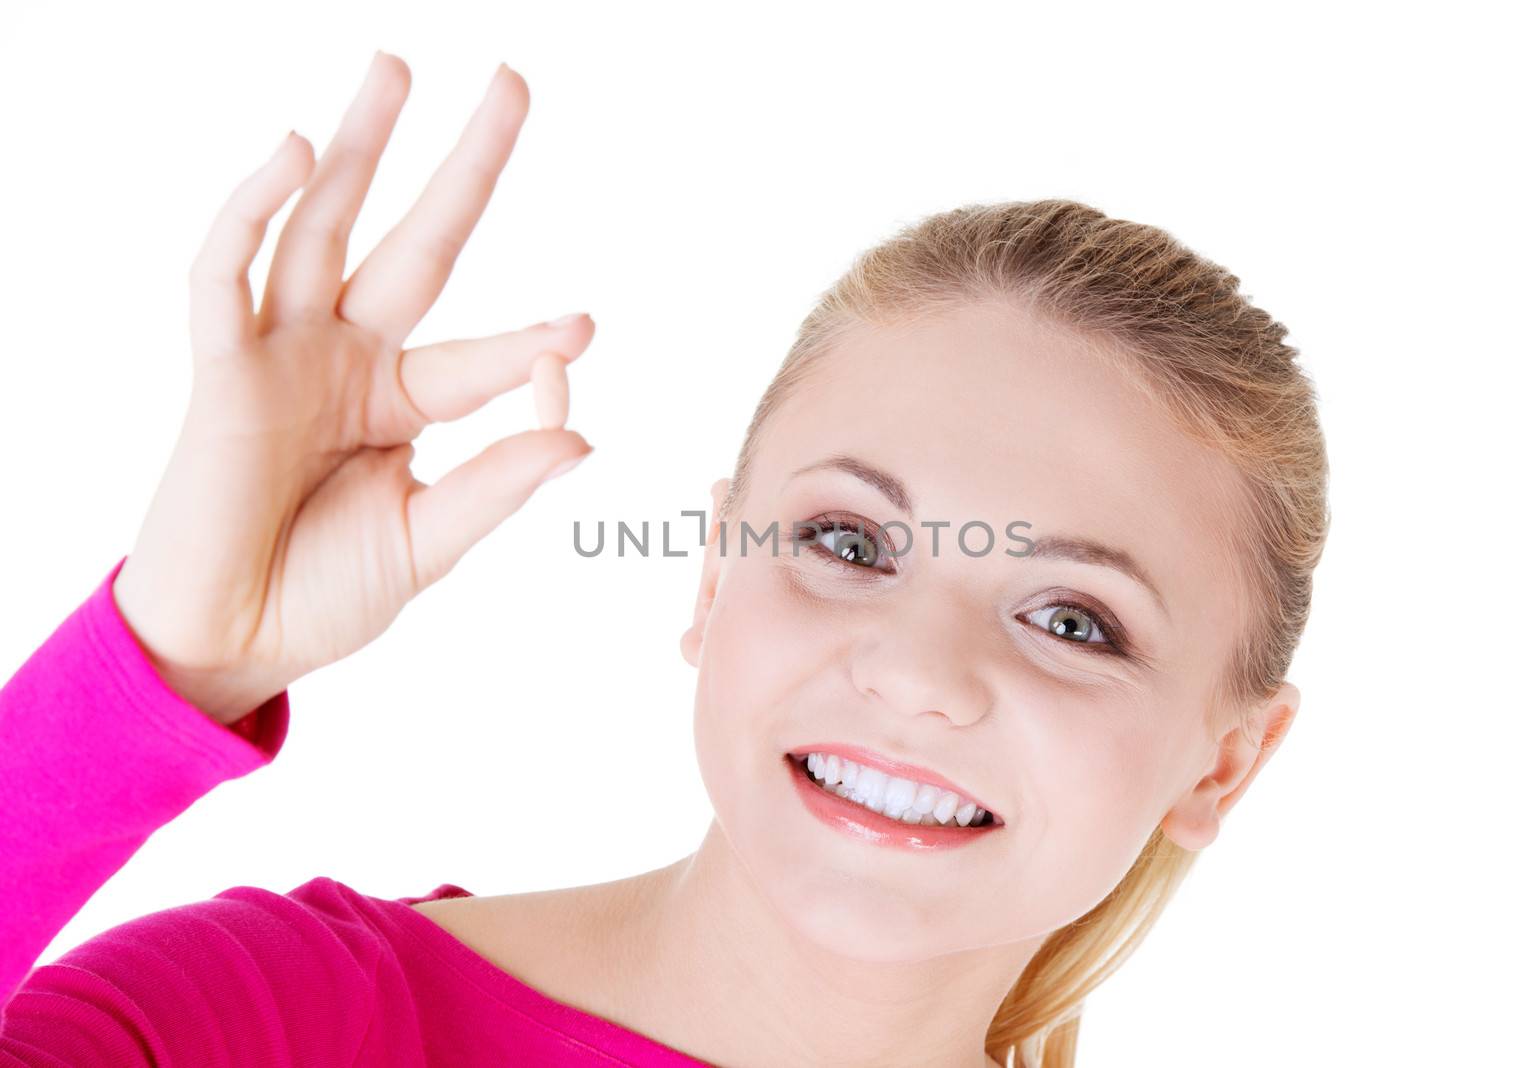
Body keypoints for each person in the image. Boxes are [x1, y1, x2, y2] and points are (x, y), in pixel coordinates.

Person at [0, 48, 1329, 1068]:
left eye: (1074, 619)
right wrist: (156, 669)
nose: (921, 674)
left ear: (1223, 764)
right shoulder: (288, 1021)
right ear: (710, 578)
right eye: (849, 541)